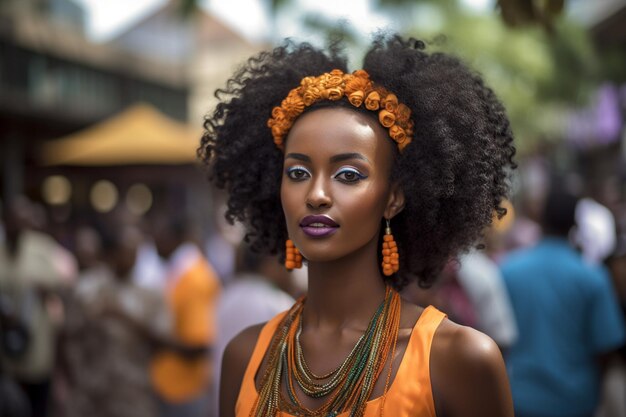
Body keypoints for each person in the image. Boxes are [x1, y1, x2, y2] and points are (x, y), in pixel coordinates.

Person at [200, 34, 516, 417]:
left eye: (348, 175)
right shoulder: (245, 355)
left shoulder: (456, 359)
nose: (316, 194)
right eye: (297, 172)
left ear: (393, 197)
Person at [500, 184, 626, 417]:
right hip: (576, 401)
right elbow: (607, 345)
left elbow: (496, 334)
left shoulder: (508, 270)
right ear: (574, 225)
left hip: (520, 397)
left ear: (541, 219)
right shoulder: (592, 277)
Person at [149, 213, 221, 417]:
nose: (154, 240)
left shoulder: (193, 278)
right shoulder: (178, 272)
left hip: (185, 390)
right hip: (170, 385)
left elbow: (199, 344)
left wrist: (151, 337)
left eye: (160, 234)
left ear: (177, 238)